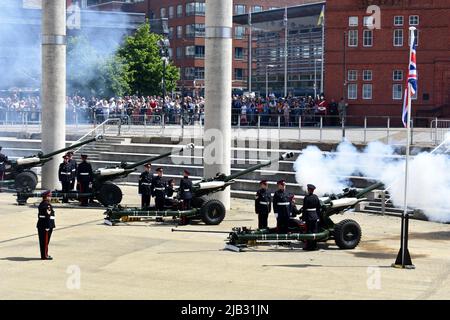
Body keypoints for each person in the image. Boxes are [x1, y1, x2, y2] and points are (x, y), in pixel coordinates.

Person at [301, 184, 321, 251]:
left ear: (309, 190)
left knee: (308, 231)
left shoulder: (306, 198)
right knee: (314, 231)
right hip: (315, 216)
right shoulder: (316, 197)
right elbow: (318, 207)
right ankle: (314, 246)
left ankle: (309, 246)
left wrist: (303, 219)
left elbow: (304, 209)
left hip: (308, 216)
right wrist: (318, 216)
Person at [37, 191, 55, 260]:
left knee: (43, 242)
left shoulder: (42, 204)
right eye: (49, 196)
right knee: (45, 242)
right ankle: (45, 256)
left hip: (42, 225)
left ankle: (44, 255)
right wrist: (47, 226)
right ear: (47, 197)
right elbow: (47, 216)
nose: (50, 197)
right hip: (46, 226)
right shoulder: (47, 205)